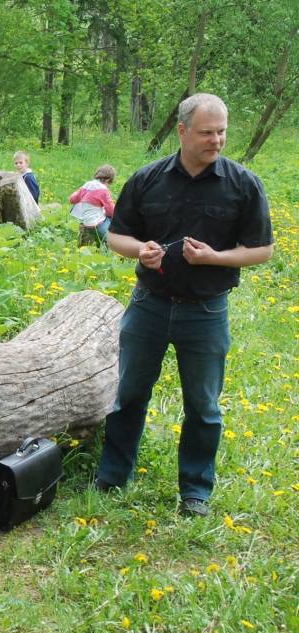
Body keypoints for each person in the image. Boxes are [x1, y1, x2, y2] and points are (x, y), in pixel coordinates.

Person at [95, 93, 274, 517]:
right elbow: (116, 235)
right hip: (149, 305)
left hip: (207, 311)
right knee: (129, 394)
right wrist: (140, 250)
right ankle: (113, 475)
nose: (217, 140)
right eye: (207, 132)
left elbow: (262, 250)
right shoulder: (148, 179)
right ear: (182, 130)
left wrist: (215, 258)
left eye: (222, 132)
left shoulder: (243, 184)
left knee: (203, 406)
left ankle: (195, 491)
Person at [69, 164, 116, 244]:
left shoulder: (87, 185)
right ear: (108, 179)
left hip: (86, 223)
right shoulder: (103, 189)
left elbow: (72, 200)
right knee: (113, 219)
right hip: (99, 225)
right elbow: (111, 211)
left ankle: (89, 241)